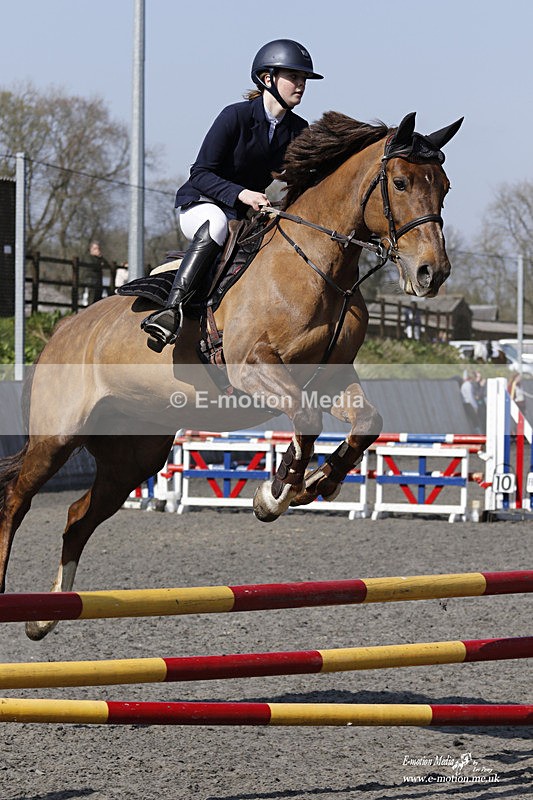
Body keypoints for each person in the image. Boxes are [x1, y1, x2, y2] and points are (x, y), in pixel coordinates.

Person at [141, 39, 323, 347]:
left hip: (244, 213)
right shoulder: (235, 116)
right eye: (294, 77)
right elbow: (199, 174)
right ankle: (170, 312)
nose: (301, 84)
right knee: (216, 224)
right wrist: (243, 194)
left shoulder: (297, 129)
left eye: (304, 79)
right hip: (201, 203)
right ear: (268, 79)